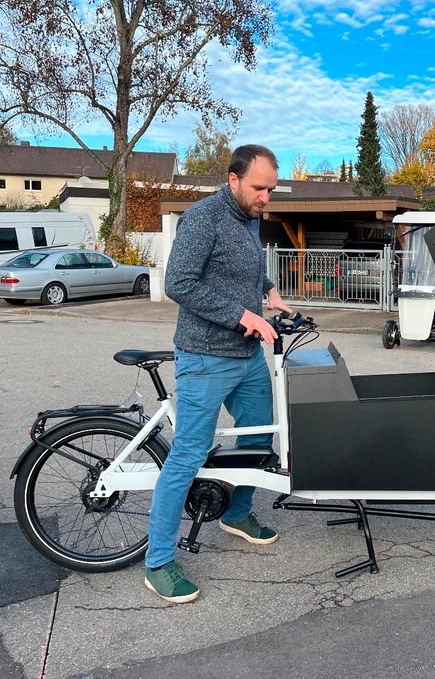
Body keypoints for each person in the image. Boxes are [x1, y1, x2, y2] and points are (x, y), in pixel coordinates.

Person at [144, 144, 292, 604]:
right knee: (187, 456)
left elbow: (244, 271)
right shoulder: (203, 217)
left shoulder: (249, 217)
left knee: (256, 440)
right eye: (259, 188)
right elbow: (179, 283)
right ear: (233, 179)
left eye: (270, 189)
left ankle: (237, 513)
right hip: (206, 357)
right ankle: (159, 562)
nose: (266, 197)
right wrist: (241, 316)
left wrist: (268, 293)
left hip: (248, 358)